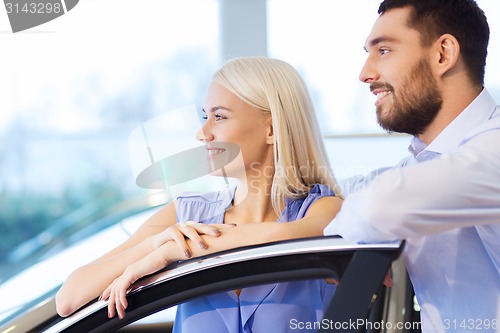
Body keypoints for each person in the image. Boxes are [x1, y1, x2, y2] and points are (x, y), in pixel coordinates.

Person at [56, 56, 343, 332]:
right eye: (206, 116)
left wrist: (171, 253)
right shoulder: (185, 215)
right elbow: (68, 299)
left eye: (219, 117)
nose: (202, 133)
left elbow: (284, 239)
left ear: (271, 129)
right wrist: (154, 246)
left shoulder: (325, 211)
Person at [324, 0, 500, 331]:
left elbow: (380, 206)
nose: (365, 74)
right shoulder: (417, 167)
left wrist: (355, 235)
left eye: (384, 51)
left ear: (442, 54)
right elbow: (344, 197)